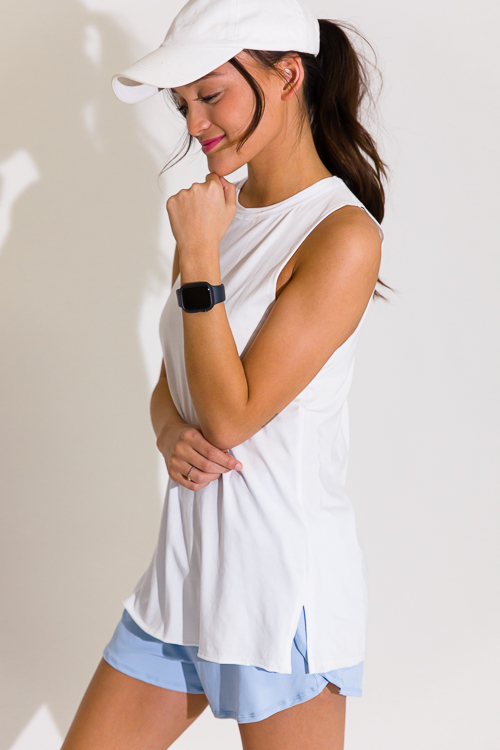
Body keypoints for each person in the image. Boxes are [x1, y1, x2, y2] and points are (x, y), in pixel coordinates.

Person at [62, 0, 391, 748]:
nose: (194, 124)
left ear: (287, 75)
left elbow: (234, 416)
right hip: (183, 582)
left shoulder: (340, 235)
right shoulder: (215, 215)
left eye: (210, 95)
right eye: (182, 106)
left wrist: (202, 258)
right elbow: (176, 383)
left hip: (278, 593)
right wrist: (167, 431)